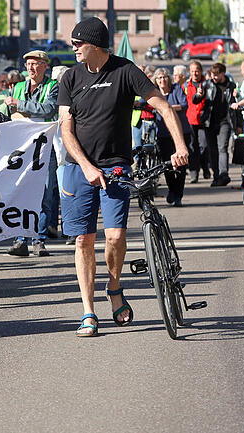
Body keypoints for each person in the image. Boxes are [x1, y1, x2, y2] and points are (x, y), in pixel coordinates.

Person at [58, 17, 188, 337]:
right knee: (83, 240)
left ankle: (114, 286)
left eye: (78, 43)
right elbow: (65, 128)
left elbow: (164, 108)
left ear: (95, 45)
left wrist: (181, 146)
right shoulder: (70, 78)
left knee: (115, 236)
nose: (73, 47)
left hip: (116, 166)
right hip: (79, 168)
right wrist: (86, 166)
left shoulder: (125, 70)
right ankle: (88, 311)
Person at [4, 50, 59, 257]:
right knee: (21, 193)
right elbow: (10, 113)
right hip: (23, 148)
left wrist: (20, 105)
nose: (31, 68)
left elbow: (48, 109)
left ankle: (39, 239)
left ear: (45, 66)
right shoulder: (18, 87)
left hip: (44, 147)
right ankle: (20, 239)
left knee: (44, 193)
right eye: (28, 64)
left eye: (35, 64)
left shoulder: (52, 86)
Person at [152, 68, 191, 205]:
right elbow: (147, 103)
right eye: (159, 78)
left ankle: (178, 195)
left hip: (181, 132)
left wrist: (165, 108)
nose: (162, 80)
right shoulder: (155, 93)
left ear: (169, 78)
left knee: (180, 164)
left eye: (164, 77)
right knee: (167, 164)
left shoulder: (176, 89)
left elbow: (184, 104)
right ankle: (172, 190)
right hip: (163, 133)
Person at [204, 63, 237, 187]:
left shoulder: (231, 86)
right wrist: (199, 94)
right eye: (213, 75)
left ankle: (224, 174)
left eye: (217, 75)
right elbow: (196, 100)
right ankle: (216, 175)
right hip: (209, 121)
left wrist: (238, 124)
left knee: (222, 148)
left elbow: (235, 105)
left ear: (223, 73)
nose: (214, 77)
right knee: (212, 150)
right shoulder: (208, 84)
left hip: (225, 121)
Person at [183, 61, 211, 183]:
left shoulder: (207, 84)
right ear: (190, 72)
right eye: (192, 71)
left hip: (203, 120)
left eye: (197, 71)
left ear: (201, 71)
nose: (195, 73)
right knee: (192, 148)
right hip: (190, 120)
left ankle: (205, 166)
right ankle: (194, 173)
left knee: (204, 146)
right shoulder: (185, 85)